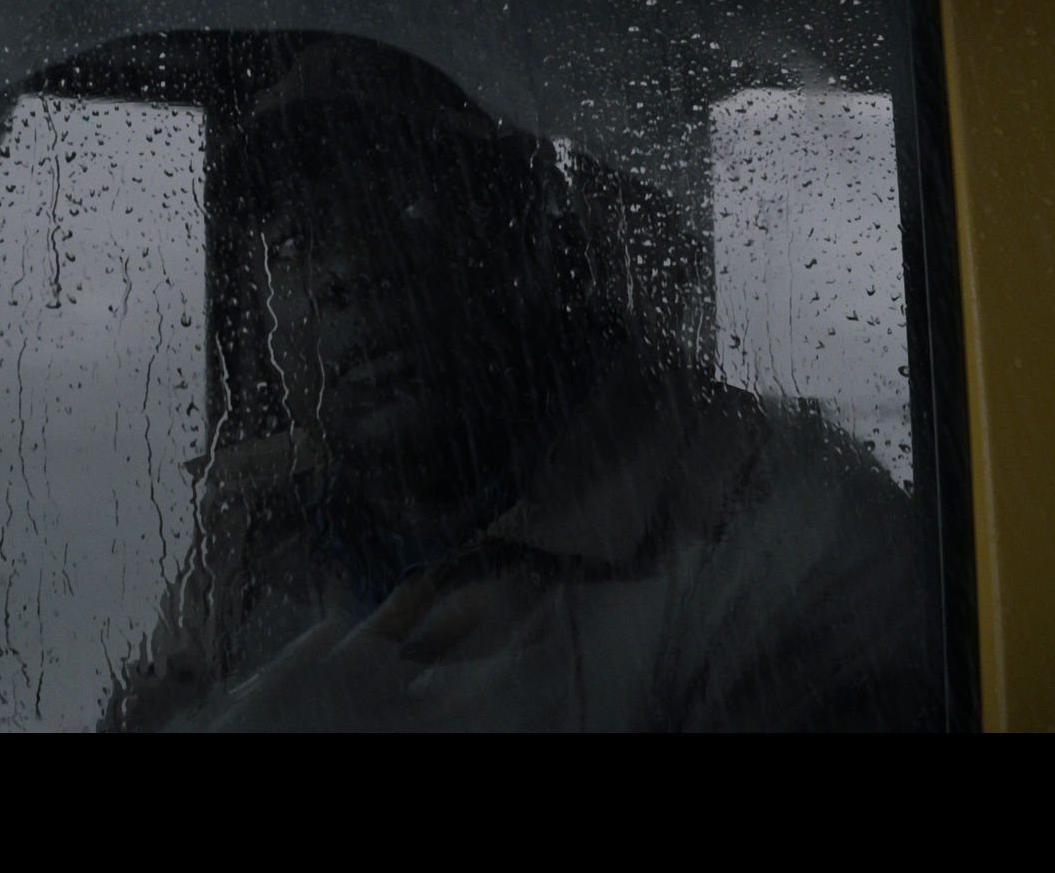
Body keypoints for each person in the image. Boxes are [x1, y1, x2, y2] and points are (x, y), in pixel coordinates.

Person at [106, 37, 939, 731]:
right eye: (293, 240)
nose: (346, 269)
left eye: (408, 205)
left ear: (535, 241)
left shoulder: (776, 536)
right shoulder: (253, 530)